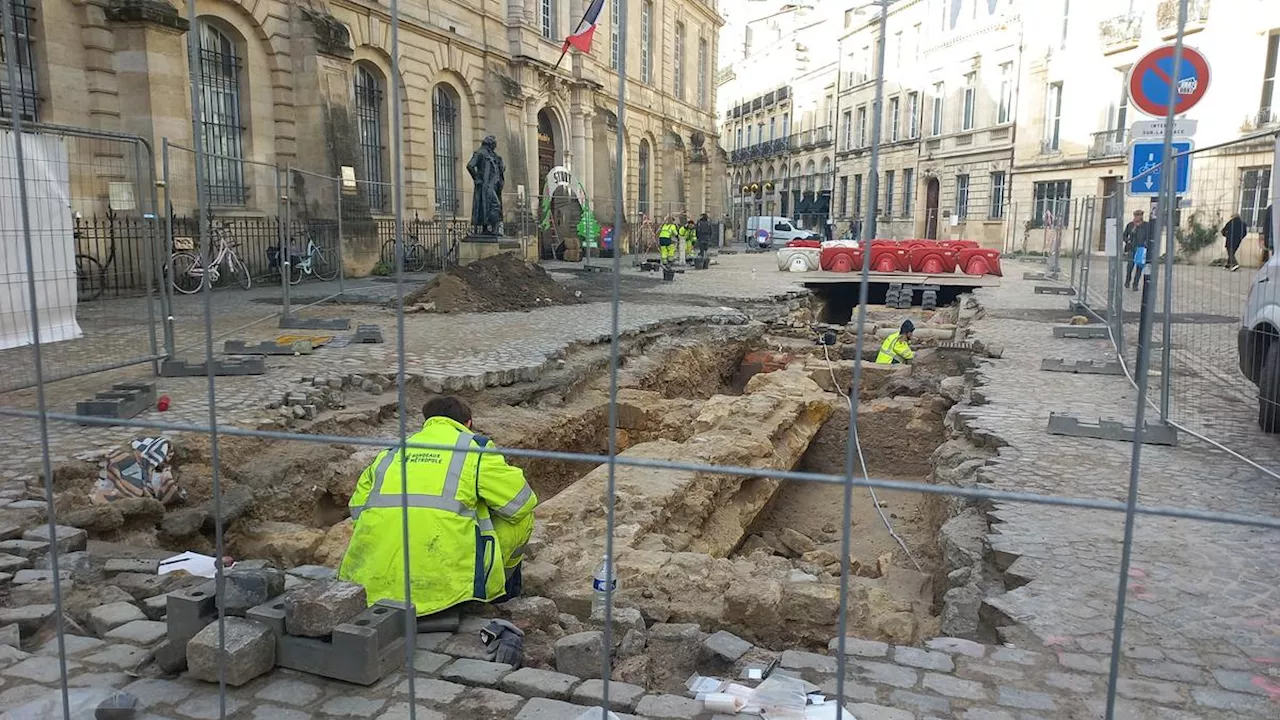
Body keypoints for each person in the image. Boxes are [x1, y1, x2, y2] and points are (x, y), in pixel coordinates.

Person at [339, 395, 537, 618]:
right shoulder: (474, 449)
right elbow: (521, 502)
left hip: (371, 589)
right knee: (522, 517)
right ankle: (498, 593)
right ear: (468, 423)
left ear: (427, 421)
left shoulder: (390, 453)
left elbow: (357, 510)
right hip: (445, 594)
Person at [1123, 209, 1152, 290]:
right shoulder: (1130, 225)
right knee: (1130, 266)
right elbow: (1124, 235)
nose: (1138, 217)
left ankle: (1135, 284)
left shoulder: (1146, 225)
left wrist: (1147, 244)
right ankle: (1127, 281)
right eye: (1136, 215)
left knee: (1139, 268)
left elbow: (1150, 235)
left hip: (1141, 248)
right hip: (1132, 248)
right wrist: (1127, 241)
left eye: (1140, 215)